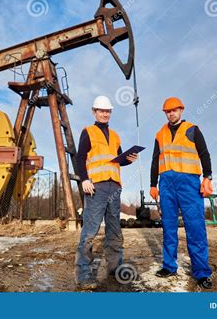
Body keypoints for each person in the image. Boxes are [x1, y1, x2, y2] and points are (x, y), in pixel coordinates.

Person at [149, 97, 214, 289]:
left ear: (181, 110)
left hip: (189, 184)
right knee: (169, 227)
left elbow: (204, 154)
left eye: (174, 110)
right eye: (168, 111)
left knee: (195, 227)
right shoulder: (159, 134)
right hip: (166, 184)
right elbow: (155, 161)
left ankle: (201, 272)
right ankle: (169, 266)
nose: (171, 113)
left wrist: (207, 177)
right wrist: (153, 184)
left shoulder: (193, 129)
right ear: (165, 113)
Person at [75, 95, 138, 290]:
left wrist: (129, 159)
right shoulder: (88, 132)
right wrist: (84, 179)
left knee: (114, 230)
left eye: (108, 111)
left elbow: (117, 160)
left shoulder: (116, 135)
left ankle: (114, 268)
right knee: (90, 232)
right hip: (96, 187)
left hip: (114, 186)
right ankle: (83, 275)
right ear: (94, 112)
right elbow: (80, 158)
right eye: (101, 111)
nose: (105, 114)